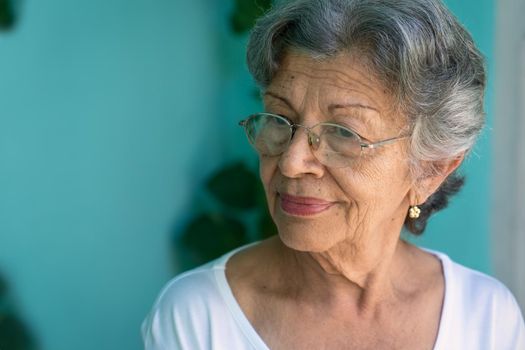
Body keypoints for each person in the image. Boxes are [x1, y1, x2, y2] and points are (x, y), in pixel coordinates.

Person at [142, 0, 525, 348]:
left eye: (343, 133)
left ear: (430, 169)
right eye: (281, 119)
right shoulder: (198, 318)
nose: (291, 163)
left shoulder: (487, 318)